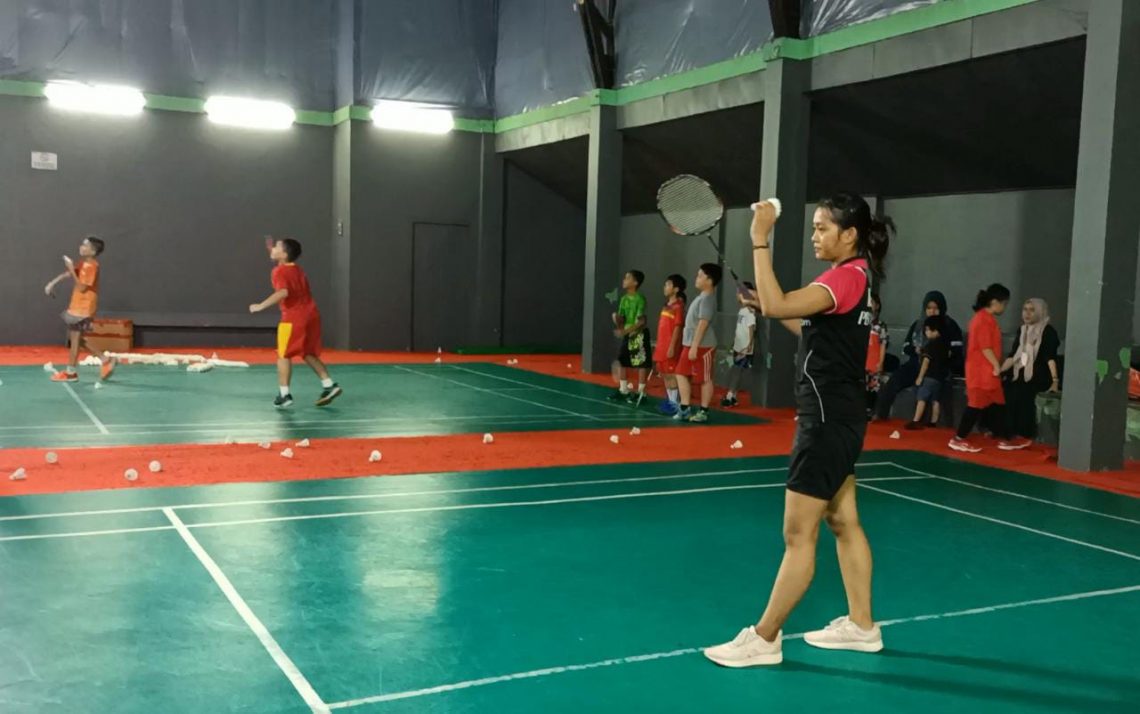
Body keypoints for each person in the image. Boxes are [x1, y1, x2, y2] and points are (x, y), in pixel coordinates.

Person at [704, 193, 893, 668]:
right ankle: (862, 627)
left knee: (797, 534)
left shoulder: (843, 278)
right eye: (813, 227)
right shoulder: (858, 277)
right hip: (843, 415)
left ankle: (764, 638)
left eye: (822, 228)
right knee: (843, 521)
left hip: (825, 420)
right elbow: (809, 327)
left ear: (850, 235)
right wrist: (766, 301)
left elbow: (776, 304)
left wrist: (759, 239)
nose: (814, 236)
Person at [249, 238, 342, 408]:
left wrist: (260, 306)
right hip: (311, 315)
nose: (273, 248)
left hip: (293, 318)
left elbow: (283, 292)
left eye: (277, 246)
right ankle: (329, 385)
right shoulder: (298, 269)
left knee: (283, 355)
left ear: (284, 254)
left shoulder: (279, 271)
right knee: (307, 352)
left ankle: (284, 395)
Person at [948, 284, 1030, 452]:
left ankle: (1008, 437)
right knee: (975, 405)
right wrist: (996, 366)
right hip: (981, 373)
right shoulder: (983, 320)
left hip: (986, 372)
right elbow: (985, 347)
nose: (1004, 308)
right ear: (995, 302)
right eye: (1004, 304)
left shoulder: (986, 319)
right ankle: (959, 438)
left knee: (998, 404)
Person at [874, 290, 963, 422]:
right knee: (894, 381)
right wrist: (916, 350)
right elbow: (906, 347)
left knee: (931, 388)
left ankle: (937, 425)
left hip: (938, 368)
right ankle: (880, 415)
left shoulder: (950, 326)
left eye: (936, 308)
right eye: (929, 308)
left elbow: (956, 350)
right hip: (916, 363)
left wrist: (940, 353)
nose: (932, 311)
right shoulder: (918, 325)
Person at [43, 235, 115, 382]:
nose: (81, 247)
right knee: (77, 338)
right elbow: (70, 273)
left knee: (75, 339)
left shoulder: (91, 266)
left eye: (85, 245)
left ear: (93, 251)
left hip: (84, 307)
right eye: (82, 244)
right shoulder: (84, 263)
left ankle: (71, 373)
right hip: (77, 305)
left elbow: (82, 287)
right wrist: (52, 283)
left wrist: (70, 267)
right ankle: (105, 359)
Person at [1001, 298, 1060, 440]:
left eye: (1032, 310)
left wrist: (1055, 380)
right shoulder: (1022, 330)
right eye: (1025, 310)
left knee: (1024, 393)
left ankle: (1024, 434)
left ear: (1040, 312)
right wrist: (999, 371)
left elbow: (1050, 357)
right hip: (1020, 373)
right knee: (1006, 389)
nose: (1027, 314)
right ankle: (1006, 432)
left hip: (1039, 376)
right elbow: (1013, 355)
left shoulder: (1048, 331)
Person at [675, 264, 721, 423]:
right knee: (681, 373)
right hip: (690, 344)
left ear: (710, 280)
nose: (697, 278)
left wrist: (694, 346)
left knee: (705, 378)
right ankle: (684, 408)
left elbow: (703, 323)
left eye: (700, 276)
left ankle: (703, 411)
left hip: (703, 345)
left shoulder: (708, 299)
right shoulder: (701, 297)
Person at [611, 270, 650, 403]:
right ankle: (623, 390)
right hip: (627, 334)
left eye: (627, 278)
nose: (624, 280)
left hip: (638, 334)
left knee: (641, 363)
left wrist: (624, 331)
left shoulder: (640, 299)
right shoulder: (624, 299)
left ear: (635, 282)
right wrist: (617, 321)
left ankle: (641, 393)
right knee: (622, 361)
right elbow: (622, 319)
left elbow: (641, 322)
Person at [906, 316, 950, 430]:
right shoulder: (945, 345)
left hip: (929, 376)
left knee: (922, 398)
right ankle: (933, 422)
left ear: (935, 330)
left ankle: (916, 420)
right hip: (940, 378)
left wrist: (920, 377)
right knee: (935, 400)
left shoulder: (930, 345)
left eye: (927, 329)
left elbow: (926, 362)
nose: (926, 332)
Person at [653, 274, 687, 415]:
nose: (665, 287)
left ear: (676, 289)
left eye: (668, 284)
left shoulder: (678, 306)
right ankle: (670, 401)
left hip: (669, 347)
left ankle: (674, 404)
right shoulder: (666, 306)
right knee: (665, 374)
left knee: (671, 375)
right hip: (661, 346)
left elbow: (678, 327)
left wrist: (672, 346)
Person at [722, 282, 758, 408]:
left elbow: (751, 328)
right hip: (738, 346)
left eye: (739, 292)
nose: (737, 295)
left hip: (744, 349)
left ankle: (729, 396)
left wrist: (749, 345)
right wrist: (733, 343)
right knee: (737, 371)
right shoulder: (742, 310)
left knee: (737, 371)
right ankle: (733, 396)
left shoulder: (750, 311)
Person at [865, 293, 888, 417]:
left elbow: (883, 344)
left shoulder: (880, 325)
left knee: (873, 387)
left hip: (874, 361)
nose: (870, 305)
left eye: (872, 303)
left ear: (877, 305)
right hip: (862, 359)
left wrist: (881, 361)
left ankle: (870, 411)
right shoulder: (862, 323)